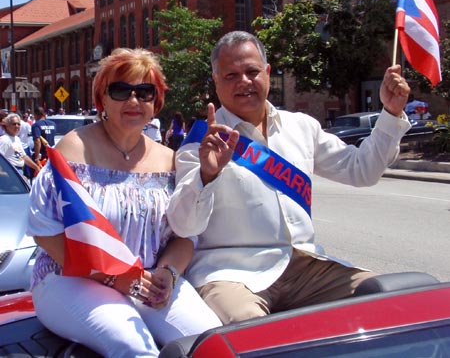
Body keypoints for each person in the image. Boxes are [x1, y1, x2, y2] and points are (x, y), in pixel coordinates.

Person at [166, 31, 412, 325]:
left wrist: (390, 112)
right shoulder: (200, 143)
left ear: (268, 73)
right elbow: (183, 225)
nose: (243, 81)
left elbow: (362, 170)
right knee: (249, 329)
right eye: (230, 75)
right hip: (230, 273)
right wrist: (207, 175)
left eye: (252, 71)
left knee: (390, 299)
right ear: (216, 81)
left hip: (306, 267)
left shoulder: (301, 127)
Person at [27, 48, 221, 357]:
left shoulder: (169, 159)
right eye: (121, 90)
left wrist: (168, 274)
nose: (134, 101)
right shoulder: (75, 149)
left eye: (145, 92)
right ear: (102, 99)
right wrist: (113, 278)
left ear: (155, 103)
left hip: (148, 281)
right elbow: (45, 231)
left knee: (211, 343)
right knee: (133, 346)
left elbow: (184, 237)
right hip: (71, 278)